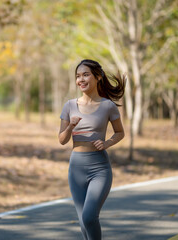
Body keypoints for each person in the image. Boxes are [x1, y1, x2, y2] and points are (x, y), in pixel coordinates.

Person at [58, 59, 126, 240]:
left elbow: (120, 133)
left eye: (85, 74)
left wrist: (107, 143)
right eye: (78, 76)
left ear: (98, 77)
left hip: (99, 168)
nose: (81, 79)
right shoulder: (69, 106)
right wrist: (70, 126)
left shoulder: (107, 106)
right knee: (83, 222)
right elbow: (62, 140)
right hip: (76, 168)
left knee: (89, 217)